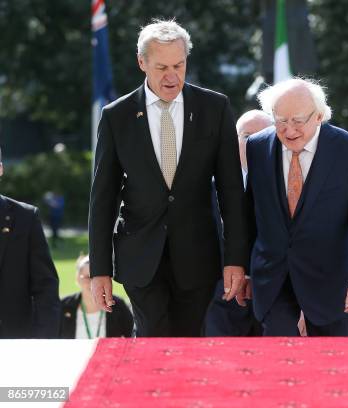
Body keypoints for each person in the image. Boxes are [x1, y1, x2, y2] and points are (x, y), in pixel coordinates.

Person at [89, 19, 250, 337]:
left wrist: (235, 260)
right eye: (162, 67)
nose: (172, 76)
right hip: (140, 257)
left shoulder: (214, 109)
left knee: (189, 341)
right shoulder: (116, 117)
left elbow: (231, 193)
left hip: (198, 256)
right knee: (152, 337)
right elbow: (103, 198)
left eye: (179, 64)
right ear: (142, 63)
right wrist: (100, 271)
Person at [244, 78, 348, 336]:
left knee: (330, 368)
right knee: (280, 363)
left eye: (298, 121)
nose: (289, 130)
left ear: (319, 116)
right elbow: (250, 216)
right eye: (281, 121)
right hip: (273, 281)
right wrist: (244, 269)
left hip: (332, 285)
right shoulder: (257, 147)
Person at [204, 110, 272, 336]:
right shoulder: (206, 191)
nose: (255, 143)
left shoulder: (292, 188)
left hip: (275, 306)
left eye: (265, 135)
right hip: (221, 305)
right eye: (247, 136)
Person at [0, 146, 60, 338]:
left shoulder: (25, 217)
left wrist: (41, 342)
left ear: (0, 169)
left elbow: (45, 286)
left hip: (16, 344)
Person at [60, 255, 134, 338]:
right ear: (77, 279)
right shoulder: (63, 306)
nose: (93, 284)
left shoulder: (118, 306)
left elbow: (132, 336)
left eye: (96, 278)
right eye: (88, 277)